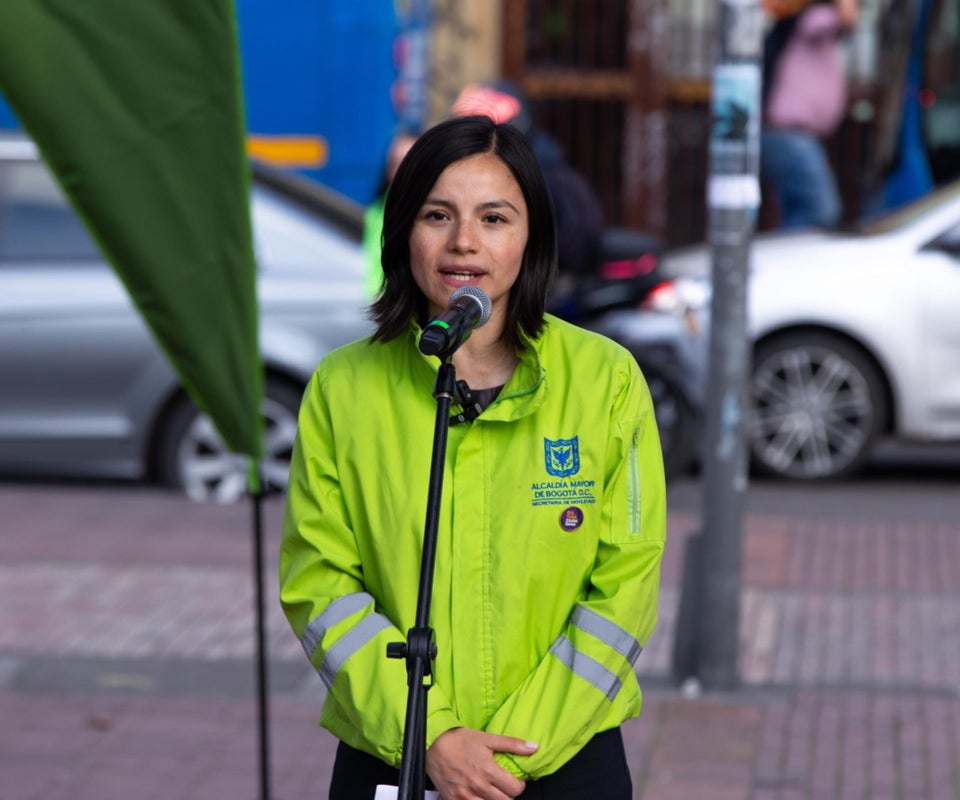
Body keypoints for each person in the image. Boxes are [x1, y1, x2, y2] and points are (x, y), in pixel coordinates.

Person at [279, 114, 666, 800]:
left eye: (494, 218)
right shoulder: (344, 388)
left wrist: (507, 758)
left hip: (563, 759)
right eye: (438, 215)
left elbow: (624, 588)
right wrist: (430, 738)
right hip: (392, 755)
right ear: (403, 230)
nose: (464, 242)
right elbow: (322, 588)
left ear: (530, 236)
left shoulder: (605, 381)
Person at [760, 0, 860, 229]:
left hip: (789, 135)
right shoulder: (814, 19)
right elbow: (847, 19)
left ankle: (782, 257)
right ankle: (787, 260)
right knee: (821, 210)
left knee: (796, 209)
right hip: (789, 135)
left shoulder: (806, 24)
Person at [363, 129, 418, 298]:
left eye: (407, 164)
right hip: (376, 302)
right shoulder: (377, 209)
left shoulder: (424, 212)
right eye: (395, 163)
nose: (400, 172)